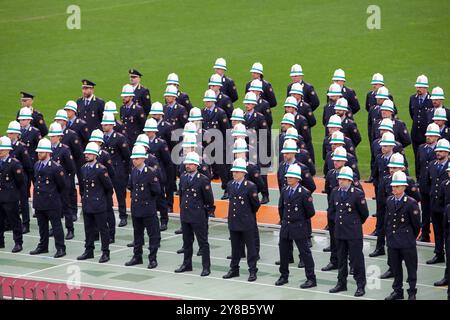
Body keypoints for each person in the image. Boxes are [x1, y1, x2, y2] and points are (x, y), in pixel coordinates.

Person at [328, 166, 368, 297]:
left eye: (344, 179)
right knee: (341, 259)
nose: (341, 181)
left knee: (356, 260)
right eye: (340, 179)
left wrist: (353, 224)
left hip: (353, 233)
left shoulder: (357, 194)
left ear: (350, 180)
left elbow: (364, 214)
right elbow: (332, 211)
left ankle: (360, 285)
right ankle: (341, 283)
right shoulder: (335, 192)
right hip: (339, 231)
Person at [276, 164, 316, 288]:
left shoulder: (304, 193)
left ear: (298, 179)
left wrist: (299, 220)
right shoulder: (285, 190)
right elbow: (281, 208)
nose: (288, 179)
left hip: (299, 227)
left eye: (291, 177)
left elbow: (310, 212)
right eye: (288, 177)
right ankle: (284, 276)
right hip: (286, 226)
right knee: (283, 253)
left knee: (305, 253)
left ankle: (311, 278)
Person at [175, 152, 215, 277]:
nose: (188, 165)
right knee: (187, 241)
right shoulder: (183, 177)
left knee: (203, 242)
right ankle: (187, 264)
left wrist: (205, 214)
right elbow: (181, 195)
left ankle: (206, 267)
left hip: (198, 215)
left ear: (196, 165)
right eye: (187, 163)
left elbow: (209, 200)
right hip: (186, 214)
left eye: (191, 163)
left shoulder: (203, 180)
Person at [384, 171, 421, 300]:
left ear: (404, 187)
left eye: (397, 186)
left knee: (411, 268)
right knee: (396, 268)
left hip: (406, 242)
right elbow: (387, 221)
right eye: (393, 186)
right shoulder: (389, 200)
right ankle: (397, 291)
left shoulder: (411, 203)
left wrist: (410, 237)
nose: (394, 188)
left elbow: (416, 225)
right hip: (393, 242)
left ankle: (412, 292)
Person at [223, 158, 261, 282]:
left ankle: (252, 270)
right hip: (234, 221)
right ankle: (234, 269)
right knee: (235, 248)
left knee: (251, 248)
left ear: (243, 173)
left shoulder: (250, 186)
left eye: (237, 172)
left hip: (246, 222)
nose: (234, 173)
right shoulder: (230, 185)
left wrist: (247, 215)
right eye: (233, 171)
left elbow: (255, 205)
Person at [124, 145, 161, 269]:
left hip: (148, 208)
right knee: (137, 234)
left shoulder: (150, 172)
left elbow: (156, 191)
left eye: (137, 158)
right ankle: (137, 256)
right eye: (133, 158)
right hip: (136, 208)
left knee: (153, 234)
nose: (134, 160)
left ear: (143, 159)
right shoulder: (134, 171)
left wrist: (147, 201)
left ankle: (153, 258)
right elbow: (130, 186)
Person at [29, 138, 66, 258]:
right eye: (38, 152)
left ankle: (60, 248)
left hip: (52, 201)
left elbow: (62, 185)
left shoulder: (56, 167)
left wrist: (54, 196)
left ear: (48, 152)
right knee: (42, 226)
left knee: (56, 226)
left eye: (41, 152)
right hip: (39, 201)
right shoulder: (37, 165)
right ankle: (43, 246)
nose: (39, 153)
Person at [77, 142, 113, 263]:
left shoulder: (101, 169)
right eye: (86, 153)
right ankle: (89, 250)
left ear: (95, 155)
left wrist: (103, 201)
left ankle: (105, 252)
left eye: (90, 153)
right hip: (87, 203)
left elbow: (108, 188)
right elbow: (82, 187)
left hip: (99, 204)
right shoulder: (83, 168)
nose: (87, 155)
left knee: (103, 229)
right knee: (88, 228)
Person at [0, 136, 24, 253]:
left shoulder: (14, 164)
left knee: (14, 220)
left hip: (10, 197)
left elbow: (20, 181)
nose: (0, 151)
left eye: (2, 150)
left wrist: (13, 193)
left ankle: (18, 242)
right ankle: (0, 241)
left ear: (8, 150)